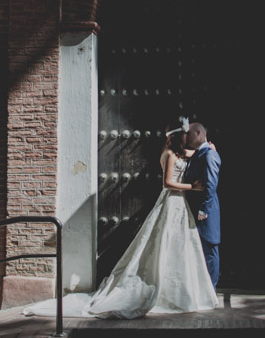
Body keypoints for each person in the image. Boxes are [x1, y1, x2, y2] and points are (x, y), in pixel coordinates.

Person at [22, 119, 218, 319]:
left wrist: (209, 147)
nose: (188, 137)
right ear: (179, 136)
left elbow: (199, 152)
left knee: (179, 245)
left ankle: (181, 291)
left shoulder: (180, 153)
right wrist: (192, 187)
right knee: (166, 241)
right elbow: (167, 183)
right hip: (171, 201)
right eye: (186, 133)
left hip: (180, 205)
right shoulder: (169, 154)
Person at [182, 122, 222, 289]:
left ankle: (210, 289)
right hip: (194, 208)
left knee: (209, 249)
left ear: (198, 133)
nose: (186, 138)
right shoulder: (202, 153)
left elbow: (211, 184)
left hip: (204, 210)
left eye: (189, 134)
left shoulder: (209, 155)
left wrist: (204, 209)